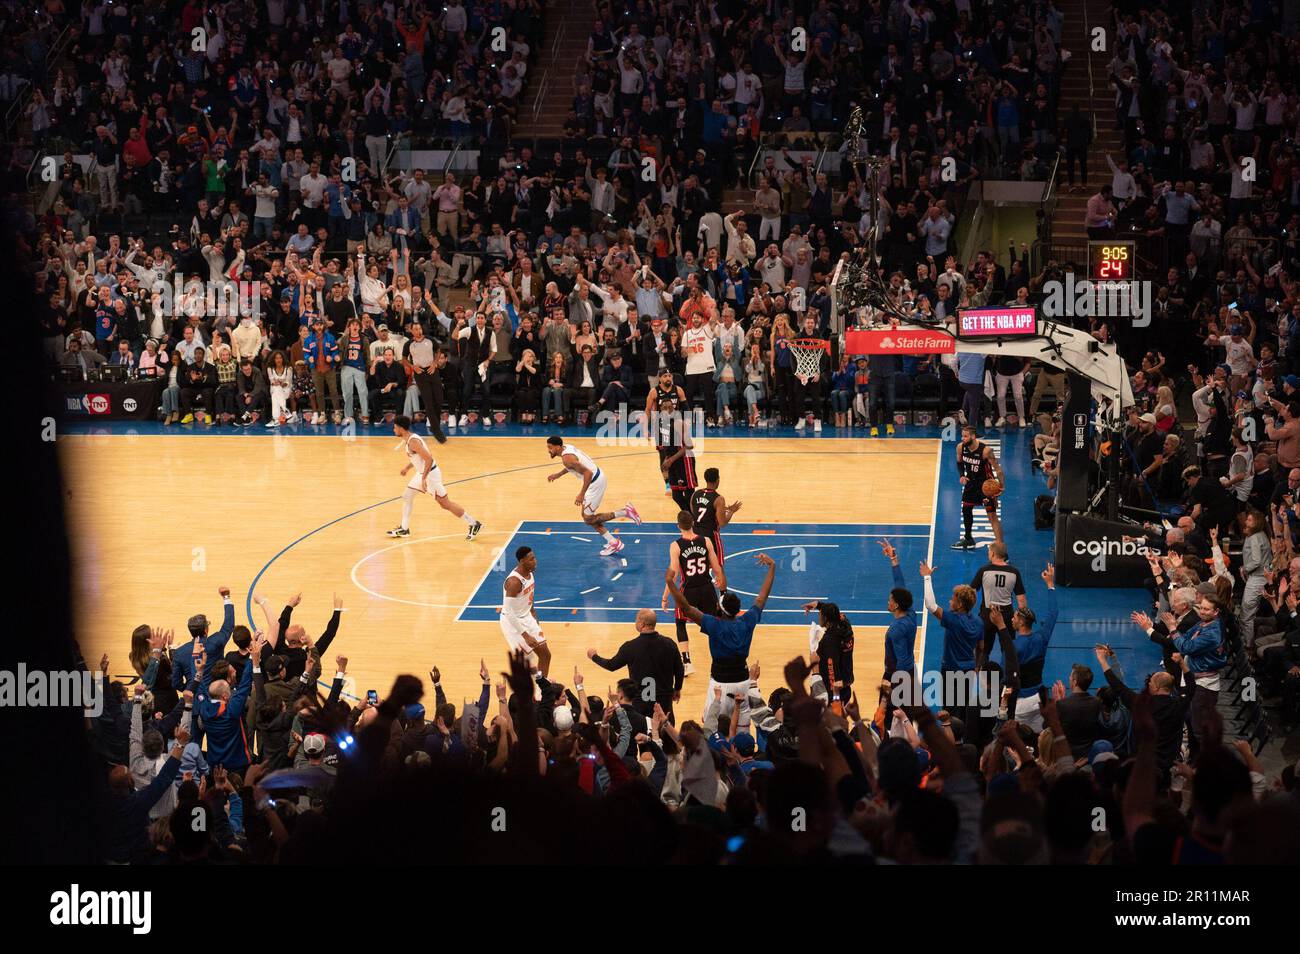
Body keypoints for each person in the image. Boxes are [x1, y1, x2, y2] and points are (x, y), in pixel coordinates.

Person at [666, 552, 776, 730]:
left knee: (712, 730)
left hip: (719, 685)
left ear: (720, 608)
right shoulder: (747, 621)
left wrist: (670, 583)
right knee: (742, 732)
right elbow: (761, 598)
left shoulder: (713, 624)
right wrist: (772, 567)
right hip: (743, 682)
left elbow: (686, 608)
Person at [987, 564, 1058, 731]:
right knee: (1037, 736)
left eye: (1014, 617)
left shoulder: (1013, 647)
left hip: (1021, 701)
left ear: (1021, 622)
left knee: (1017, 739)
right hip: (1040, 698)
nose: (1012, 619)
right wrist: (1050, 585)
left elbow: (1006, 678)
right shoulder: (1042, 638)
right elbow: (1053, 613)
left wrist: (1000, 624)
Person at [387, 415, 482, 539]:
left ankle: (473, 523)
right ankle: (404, 529)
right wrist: (407, 468)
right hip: (423, 473)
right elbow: (420, 458)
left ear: (401, 428)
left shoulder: (413, 442)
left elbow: (429, 459)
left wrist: (424, 478)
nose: (393, 430)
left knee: (445, 503)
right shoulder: (411, 438)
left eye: (395, 427)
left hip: (430, 474)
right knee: (407, 495)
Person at [545, 436, 642, 556]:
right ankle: (612, 541)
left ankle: (625, 512)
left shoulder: (567, 458)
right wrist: (558, 474)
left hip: (595, 483)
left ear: (558, 447)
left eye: (550, 447)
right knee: (587, 517)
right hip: (596, 477)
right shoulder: (567, 448)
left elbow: (587, 473)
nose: (548, 450)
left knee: (588, 518)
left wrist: (581, 494)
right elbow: (573, 466)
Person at [587, 609, 685, 721]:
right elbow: (679, 670)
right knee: (667, 733)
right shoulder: (670, 644)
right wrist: (677, 689)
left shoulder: (630, 647)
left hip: (641, 703)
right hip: (664, 702)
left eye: (636, 620)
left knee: (642, 734)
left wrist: (594, 657)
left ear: (642, 624)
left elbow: (611, 665)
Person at [662, 510, 727, 675]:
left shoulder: (676, 546)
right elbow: (717, 567)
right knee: (713, 625)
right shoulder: (706, 541)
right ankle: (721, 658)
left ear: (678, 526)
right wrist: (721, 585)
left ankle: (687, 662)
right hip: (707, 588)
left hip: (688, 590)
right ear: (693, 524)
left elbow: (674, 574)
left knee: (680, 622)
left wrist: (665, 596)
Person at [500, 546, 550, 682]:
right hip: (512, 622)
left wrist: (534, 618)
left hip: (526, 617)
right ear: (522, 561)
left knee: (546, 655)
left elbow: (529, 598)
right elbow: (509, 612)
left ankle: (542, 692)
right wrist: (526, 635)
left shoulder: (530, 573)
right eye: (531, 559)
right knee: (528, 663)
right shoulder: (514, 582)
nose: (535, 561)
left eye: (534, 557)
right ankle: (532, 694)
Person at [953, 424, 1004, 549]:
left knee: (992, 515)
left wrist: (1001, 487)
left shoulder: (986, 451)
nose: (962, 439)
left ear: (973, 436)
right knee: (966, 509)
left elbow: (998, 470)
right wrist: (961, 475)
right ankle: (968, 538)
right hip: (971, 483)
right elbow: (959, 463)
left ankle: (1001, 546)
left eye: (965, 436)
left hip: (985, 485)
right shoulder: (960, 448)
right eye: (962, 436)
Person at [689, 467, 742, 566]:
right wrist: (730, 511)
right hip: (710, 536)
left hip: (695, 535)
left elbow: (694, 512)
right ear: (717, 480)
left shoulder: (695, 494)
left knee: (699, 566)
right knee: (717, 567)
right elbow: (722, 522)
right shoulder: (719, 499)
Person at [655, 394, 697, 510]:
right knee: (676, 496)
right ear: (660, 410)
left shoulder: (678, 423)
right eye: (665, 407)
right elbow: (667, 446)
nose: (668, 409)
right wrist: (666, 458)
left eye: (670, 407)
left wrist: (671, 460)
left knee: (689, 494)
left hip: (685, 460)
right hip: (673, 460)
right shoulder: (662, 424)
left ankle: (692, 517)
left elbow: (689, 445)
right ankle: (688, 514)